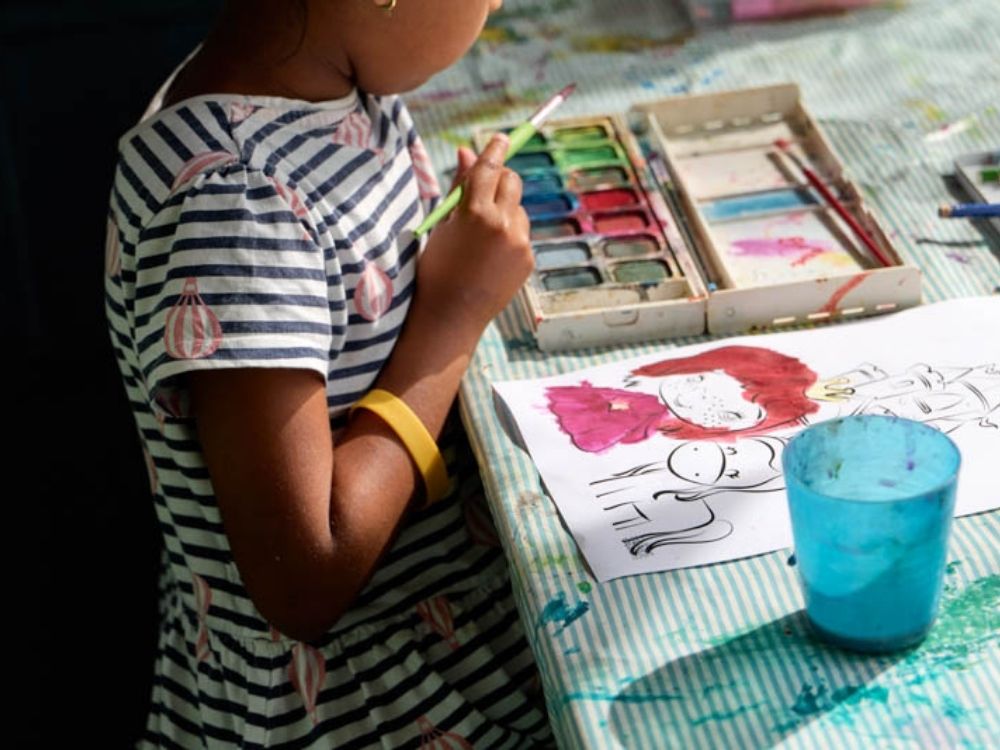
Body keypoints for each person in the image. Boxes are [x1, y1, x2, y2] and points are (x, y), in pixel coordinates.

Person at [103, 0, 553, 746]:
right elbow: (304, 576)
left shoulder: (332, 88)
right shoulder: (237, 202)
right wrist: (455, 317)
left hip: (442, 630)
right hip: (362, 706)